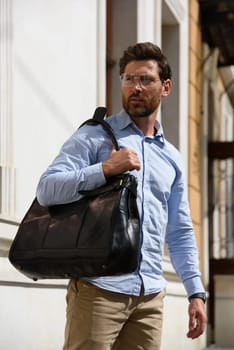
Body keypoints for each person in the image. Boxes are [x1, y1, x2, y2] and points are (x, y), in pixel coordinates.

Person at [36, 42, 207, 350]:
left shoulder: (171, 157)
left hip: (150, 298)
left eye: (145, 79)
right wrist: (104, 168)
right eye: (129, 79)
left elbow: (180, 231)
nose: (135, 87)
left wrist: (195, 292)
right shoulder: (95, 135)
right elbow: (47, 190)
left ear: (165, 87)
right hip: (98, 291)